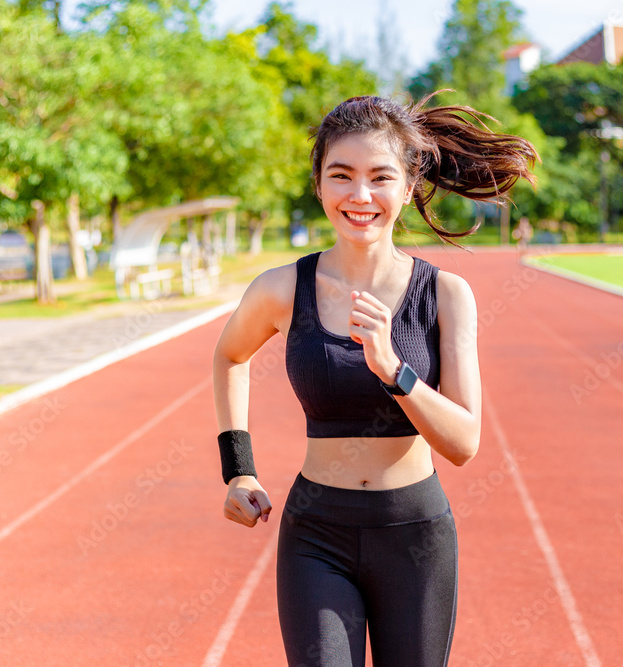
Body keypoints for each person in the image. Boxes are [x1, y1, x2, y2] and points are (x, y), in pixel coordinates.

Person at [212, 92, 537, 666]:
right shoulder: (280, 288)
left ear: (408, 187)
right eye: (342, 176)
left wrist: (393, 369)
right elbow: (229, 357)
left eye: (379, 178)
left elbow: (463, 444)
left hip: (414, 537)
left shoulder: (444, 295)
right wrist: (238, 471)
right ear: (319, 184)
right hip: (316, 535)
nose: (360, 196)